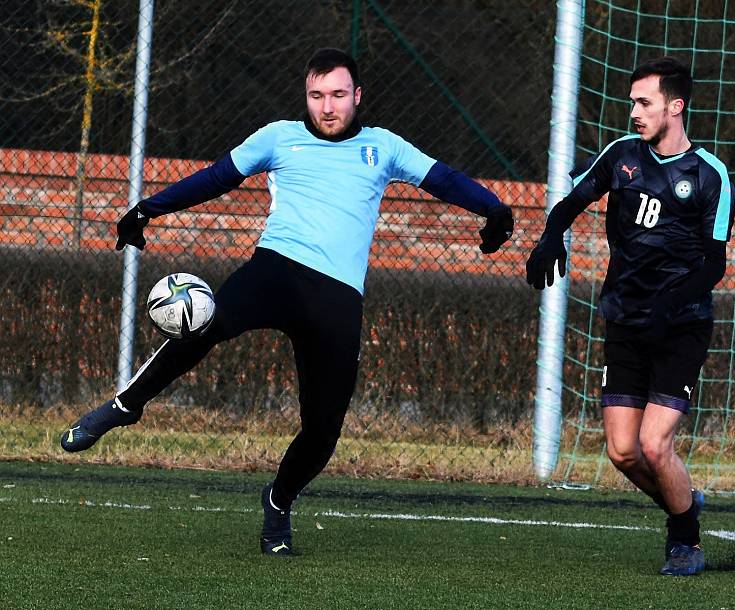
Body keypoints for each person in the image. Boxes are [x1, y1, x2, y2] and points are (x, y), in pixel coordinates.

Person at [61, 48, 514, 556]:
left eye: (338, 95)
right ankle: (124, 406)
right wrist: (146, 209)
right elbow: (215, 178)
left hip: (338, 298)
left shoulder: (382, 147)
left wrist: (495, 209)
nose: (327, 107)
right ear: (306, 96)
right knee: (203, 323)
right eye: (317, 95)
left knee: (323, 430)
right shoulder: (279, 137)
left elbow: (445, 180)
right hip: (276, 270)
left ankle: (278, 502)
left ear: (357, 96)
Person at [526, 56, 735, 576]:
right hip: (623, 318)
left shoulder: (710, 175)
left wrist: (670, 303)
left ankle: (684, 541)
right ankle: (684, 499)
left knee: (653, 443)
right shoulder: (622, 155)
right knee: (622, 452)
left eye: (644, 103)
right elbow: (572, 201)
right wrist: (551, 236)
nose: (634, 112)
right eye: (632, 102)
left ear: (675, 106)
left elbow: (715, 263)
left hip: (681, 324)